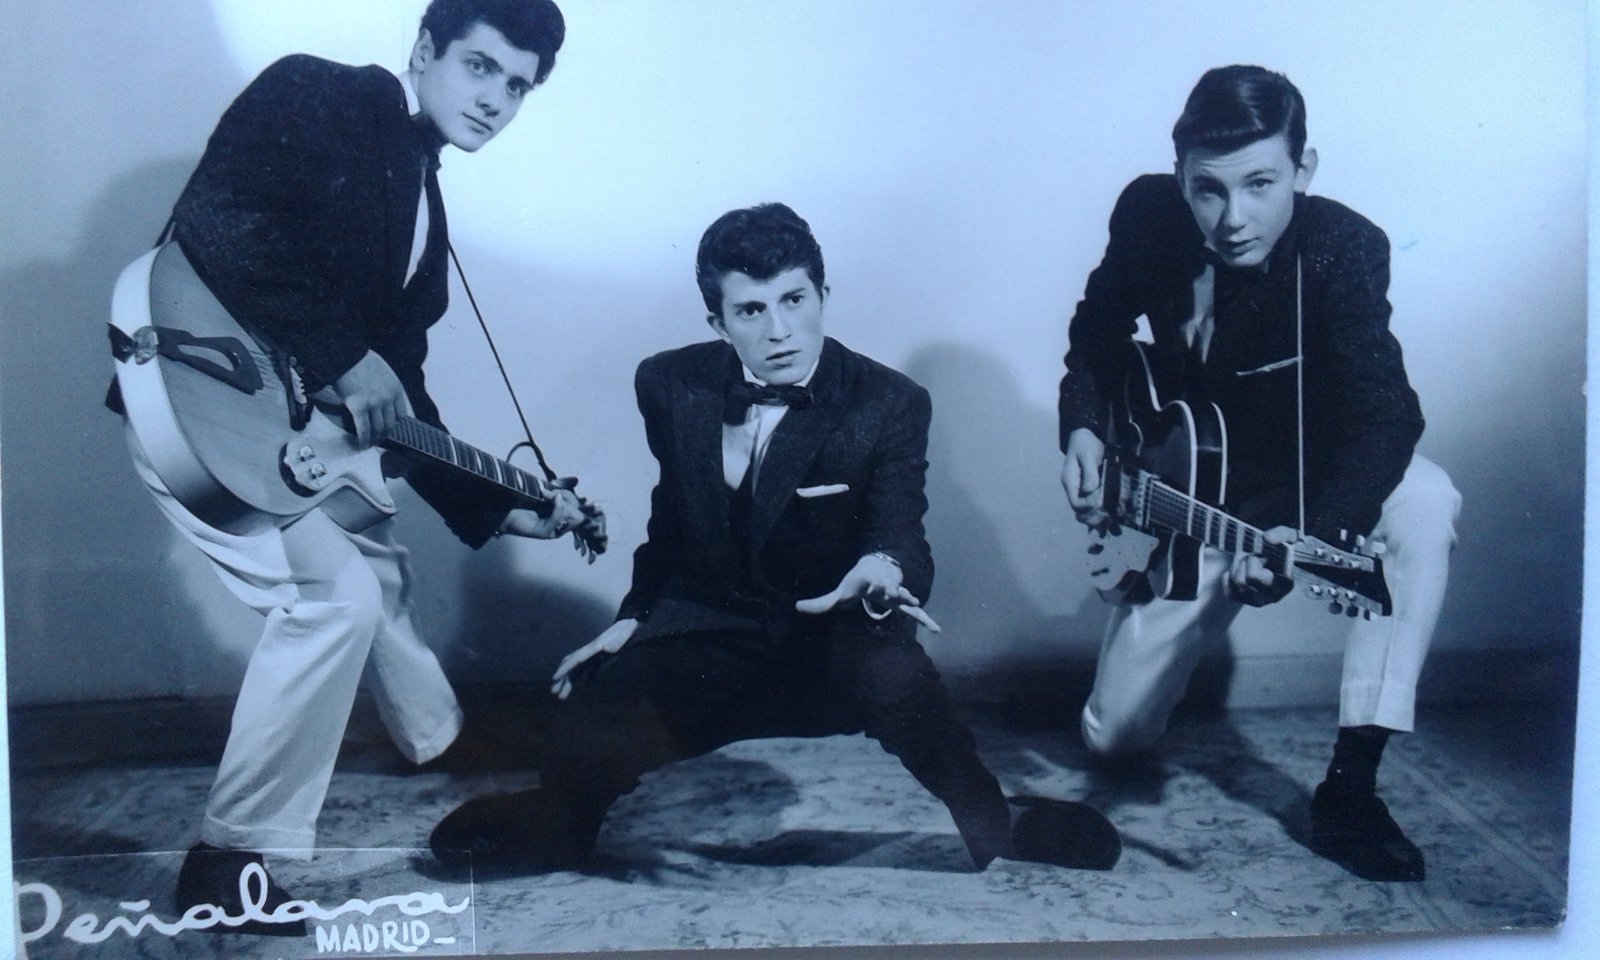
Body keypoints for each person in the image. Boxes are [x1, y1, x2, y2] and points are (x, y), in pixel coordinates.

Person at [430, 203, 1121, 875]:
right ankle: (558, 827)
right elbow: (672, 525)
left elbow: (899, 524)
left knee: (899, 680)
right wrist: (635, 621)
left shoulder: (888, 401)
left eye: (795, 300)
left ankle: (999, 825)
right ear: (718, 322)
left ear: (823, 295)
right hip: (711, 640)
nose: (780, 331)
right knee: (593, 717)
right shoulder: (669, 384)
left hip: (830, 643)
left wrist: (882, 570)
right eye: (751, 311)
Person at [109, 0, 595, 934]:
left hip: (271, 430)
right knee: (336, 599)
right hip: (196, 399)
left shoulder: (426, 217)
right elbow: (218, 216)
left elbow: (398, 403)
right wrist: (339, 354)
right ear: (425, 50)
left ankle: (436, 742)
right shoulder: (323, 91)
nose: (495, 101)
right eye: (481, 67)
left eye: (518, 88)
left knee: (374, 549)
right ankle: (226, 866)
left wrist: (500, 505)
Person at [1057, 65, 1460, 882]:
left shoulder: (1345, 248)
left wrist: (1314, 532)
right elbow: (1097, 331)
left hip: (1308, 494)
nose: (1233, 218)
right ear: (1179, 176)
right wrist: (1085, 429)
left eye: (1260, 184)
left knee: (1425, 499)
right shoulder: (1145, 214)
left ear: (1302, 171)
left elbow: (1388, 416)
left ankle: (1352, 783)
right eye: (1208, 190)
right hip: (1184, 493)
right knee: (1112, 739)